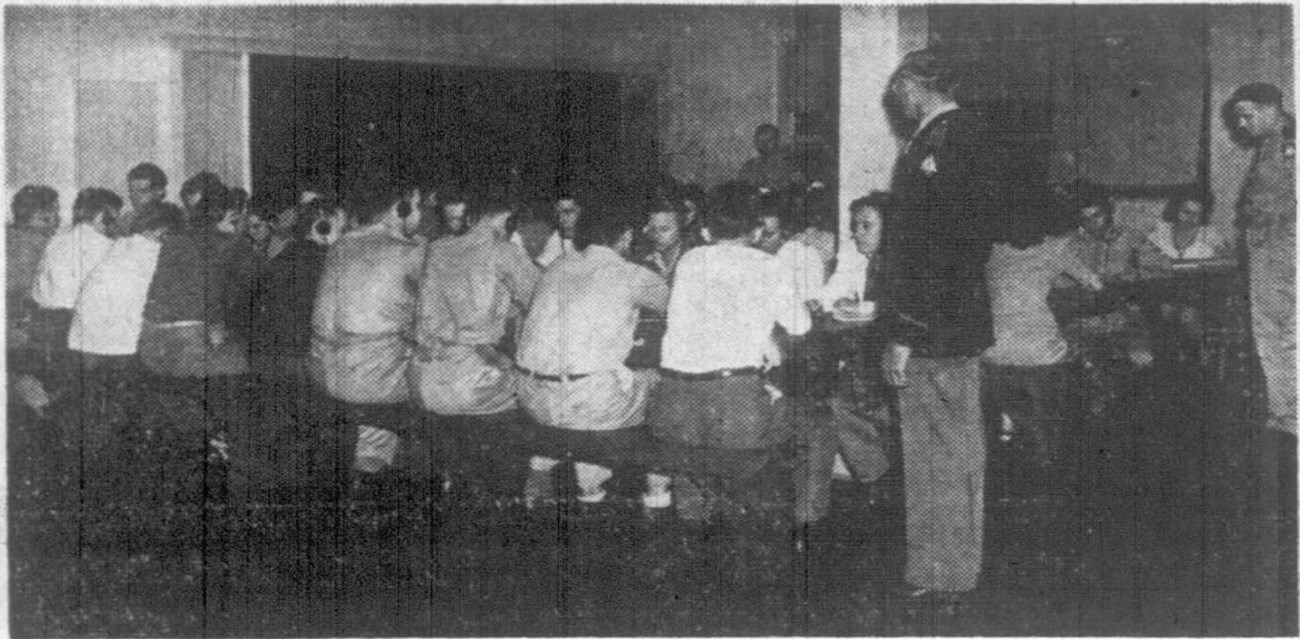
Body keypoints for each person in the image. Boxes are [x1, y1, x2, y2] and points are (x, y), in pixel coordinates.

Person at [877, 48, 1006, 599]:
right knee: (944, 455)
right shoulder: (960, 136)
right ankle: (937, 572)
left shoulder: (943, 142)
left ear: (915, 84)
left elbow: (934, 248)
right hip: (951, 323)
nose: (893, 97)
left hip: (934, 329)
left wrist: (904, 333)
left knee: (941, 455)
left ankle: (947, 575)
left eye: (897, 85)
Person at [647, 195, 811, 521]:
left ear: (706, 230)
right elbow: (800, 324)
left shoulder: (690, 260)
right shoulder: (769, 264)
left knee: (688, 456)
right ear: (756, 231)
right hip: (732, 403)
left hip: (673, 402)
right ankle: (804, 524)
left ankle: (693, 523)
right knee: (815, 424)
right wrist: (767, 337)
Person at [515, 208, 670, 507]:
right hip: (587, 401)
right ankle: (657, 497)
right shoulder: (631, 274)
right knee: (664, 387)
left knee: (602, 378)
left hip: (532, 398)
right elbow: (678, 307)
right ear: (625, 237)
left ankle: (562, 478)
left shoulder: (557, 266)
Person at [409, 197, 539, 493]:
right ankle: (508, 507)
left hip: (423, 377)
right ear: (507, 218)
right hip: (470, 382)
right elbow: (543, 302)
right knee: (530, 402)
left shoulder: (437, 248)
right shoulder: (504, 252)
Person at [981, 200, 1101, 501]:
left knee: (994, 425)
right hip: (1040, 356)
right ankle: (1049, 479)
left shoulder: (990, 250)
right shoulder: (1055, 248)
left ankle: (1002, 477)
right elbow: (1095, 285)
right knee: (1079, 361)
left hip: (991, 354)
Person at [309, 174, 425, 483]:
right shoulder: (409, 252)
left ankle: (369, 464)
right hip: (373, 380)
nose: (421, 214)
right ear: (401, 208)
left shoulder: (340, 246)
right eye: (417, 206)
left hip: (324, 372)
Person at [794, 193, 894, 527]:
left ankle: (877, 477)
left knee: (835, 403)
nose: (857, 233)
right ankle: (875, 478)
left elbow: (891, 312)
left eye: (867, 225)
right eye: (854, 226)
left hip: (898, 363)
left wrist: (867, 310)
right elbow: (831, 294)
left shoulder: (903, 263)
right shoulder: (855, 259)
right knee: (829, 403)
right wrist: (817, 301)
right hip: (865, 357)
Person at [1226, 82, 1295, 435]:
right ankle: (1284, 413)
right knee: (1270, 334)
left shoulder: (1290, 145)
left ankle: (1291, 417)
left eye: (1246, 115)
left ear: (1271, 109)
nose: (1240, 125)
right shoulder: (1270, 145)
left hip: (1283, 252)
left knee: (1286, 334)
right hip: (1267, 251)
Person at [30, 188, 121, 357]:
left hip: (45, 326)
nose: (116, 223)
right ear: (102, 216)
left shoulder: (55, 241)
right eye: (115, 216)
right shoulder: (107, 247)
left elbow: (37, 290)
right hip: (81, 331)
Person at [7, 184, 60, 349]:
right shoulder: (41, 244)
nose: (58, 220)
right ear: (38, 215)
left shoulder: (8, 236)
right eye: (53, 212)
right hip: (23, 332)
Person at [737, 124, 802, 192]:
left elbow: (797, 187)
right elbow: (742, 187)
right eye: (760, 141)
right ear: (755, 143)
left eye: (769, 140)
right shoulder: (749, 166)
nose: (764, 144)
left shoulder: (789, 164)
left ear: (777, 141)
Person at [533, 192, 582, 268]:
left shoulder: (594, 238)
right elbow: (541, 265)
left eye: (567, 212)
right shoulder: (556, 240)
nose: (561, 218)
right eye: (558, 213)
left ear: (579, 212)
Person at [118, 162, 168, 235]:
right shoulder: (124, 221)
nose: (134, 197)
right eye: (132, 191)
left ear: (159, 191)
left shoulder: (172, 219)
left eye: (142, 191)